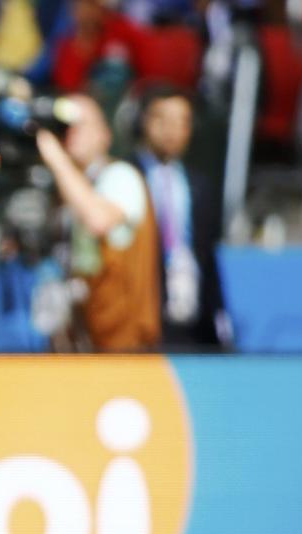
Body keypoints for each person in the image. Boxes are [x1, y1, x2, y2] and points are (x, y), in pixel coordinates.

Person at [36, 93, 161, 351]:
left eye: (79, 125)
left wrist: (57, 160)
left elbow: (99, 220)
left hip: (123, 340)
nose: (70, 133)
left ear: (105, 134)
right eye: (64, 127)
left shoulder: (121, 175)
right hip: (83, 335)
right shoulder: (66, 188)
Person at [131, 83, 232, 351]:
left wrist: (220, 319)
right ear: (143, 122)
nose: (172, 130)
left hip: (192, 316)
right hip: (144, 318)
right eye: (162, 119)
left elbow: (208, 257)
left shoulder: (199, 185)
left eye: (182, 122)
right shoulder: (126, 176)